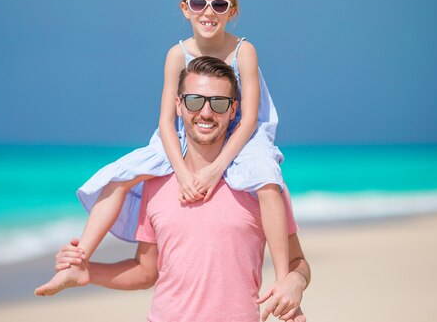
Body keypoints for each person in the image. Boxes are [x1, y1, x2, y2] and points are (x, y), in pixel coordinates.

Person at [35, 0, 291, 298]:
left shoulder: (244, 50)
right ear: (186, 9)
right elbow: (165, 122)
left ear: (233, 12)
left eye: (219, 5)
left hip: (242, 131)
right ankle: (77, 260)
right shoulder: (176, 54)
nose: (208, 12)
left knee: (269, 181)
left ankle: (283, 277)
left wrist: (215, 170)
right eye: (199, 4)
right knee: (121, 175)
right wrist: (183, 173)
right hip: (186, 134)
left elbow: (250, 117)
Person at [43, 57, 311, 322]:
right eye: (195, 101)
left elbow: (297, 262)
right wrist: (86, 271)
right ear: (179, 106)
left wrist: (295, 282)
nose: (206, 113)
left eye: (219, 103)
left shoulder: (261, 184)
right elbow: (146, 272)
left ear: (233, 110)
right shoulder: (156, 183)